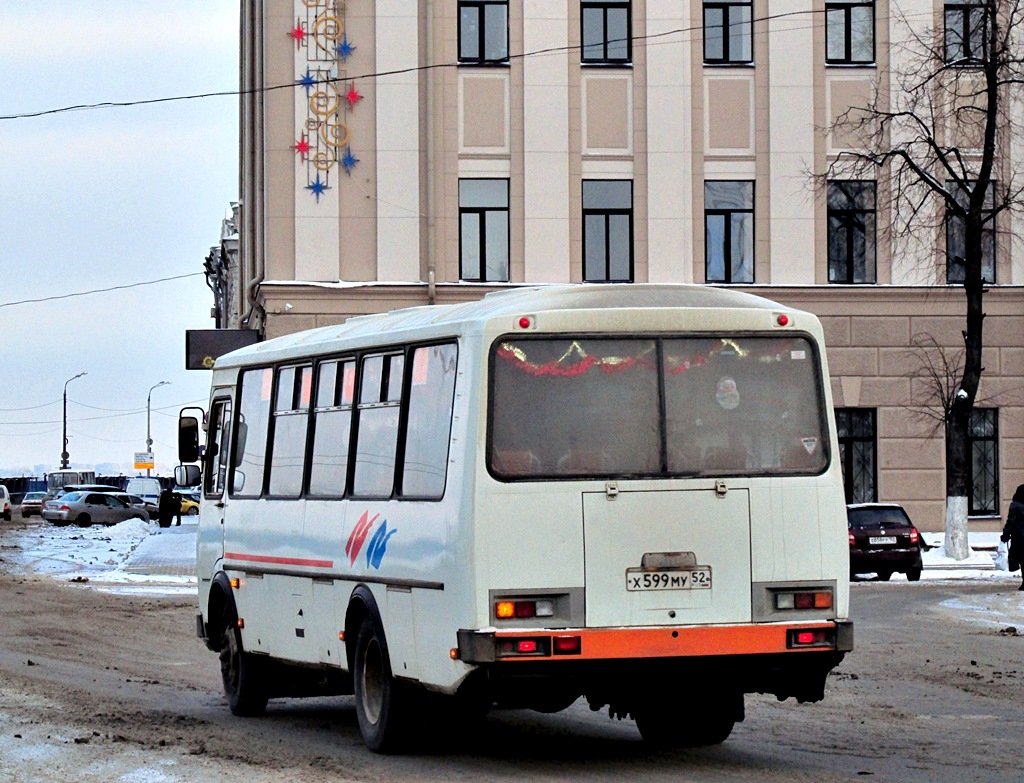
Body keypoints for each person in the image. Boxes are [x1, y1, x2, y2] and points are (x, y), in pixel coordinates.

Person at [1000, 484, 1024, 590]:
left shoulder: (1015, 505)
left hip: (1019, 536)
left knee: (1021, 559)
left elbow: (1011, 521)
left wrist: (1005, 534)